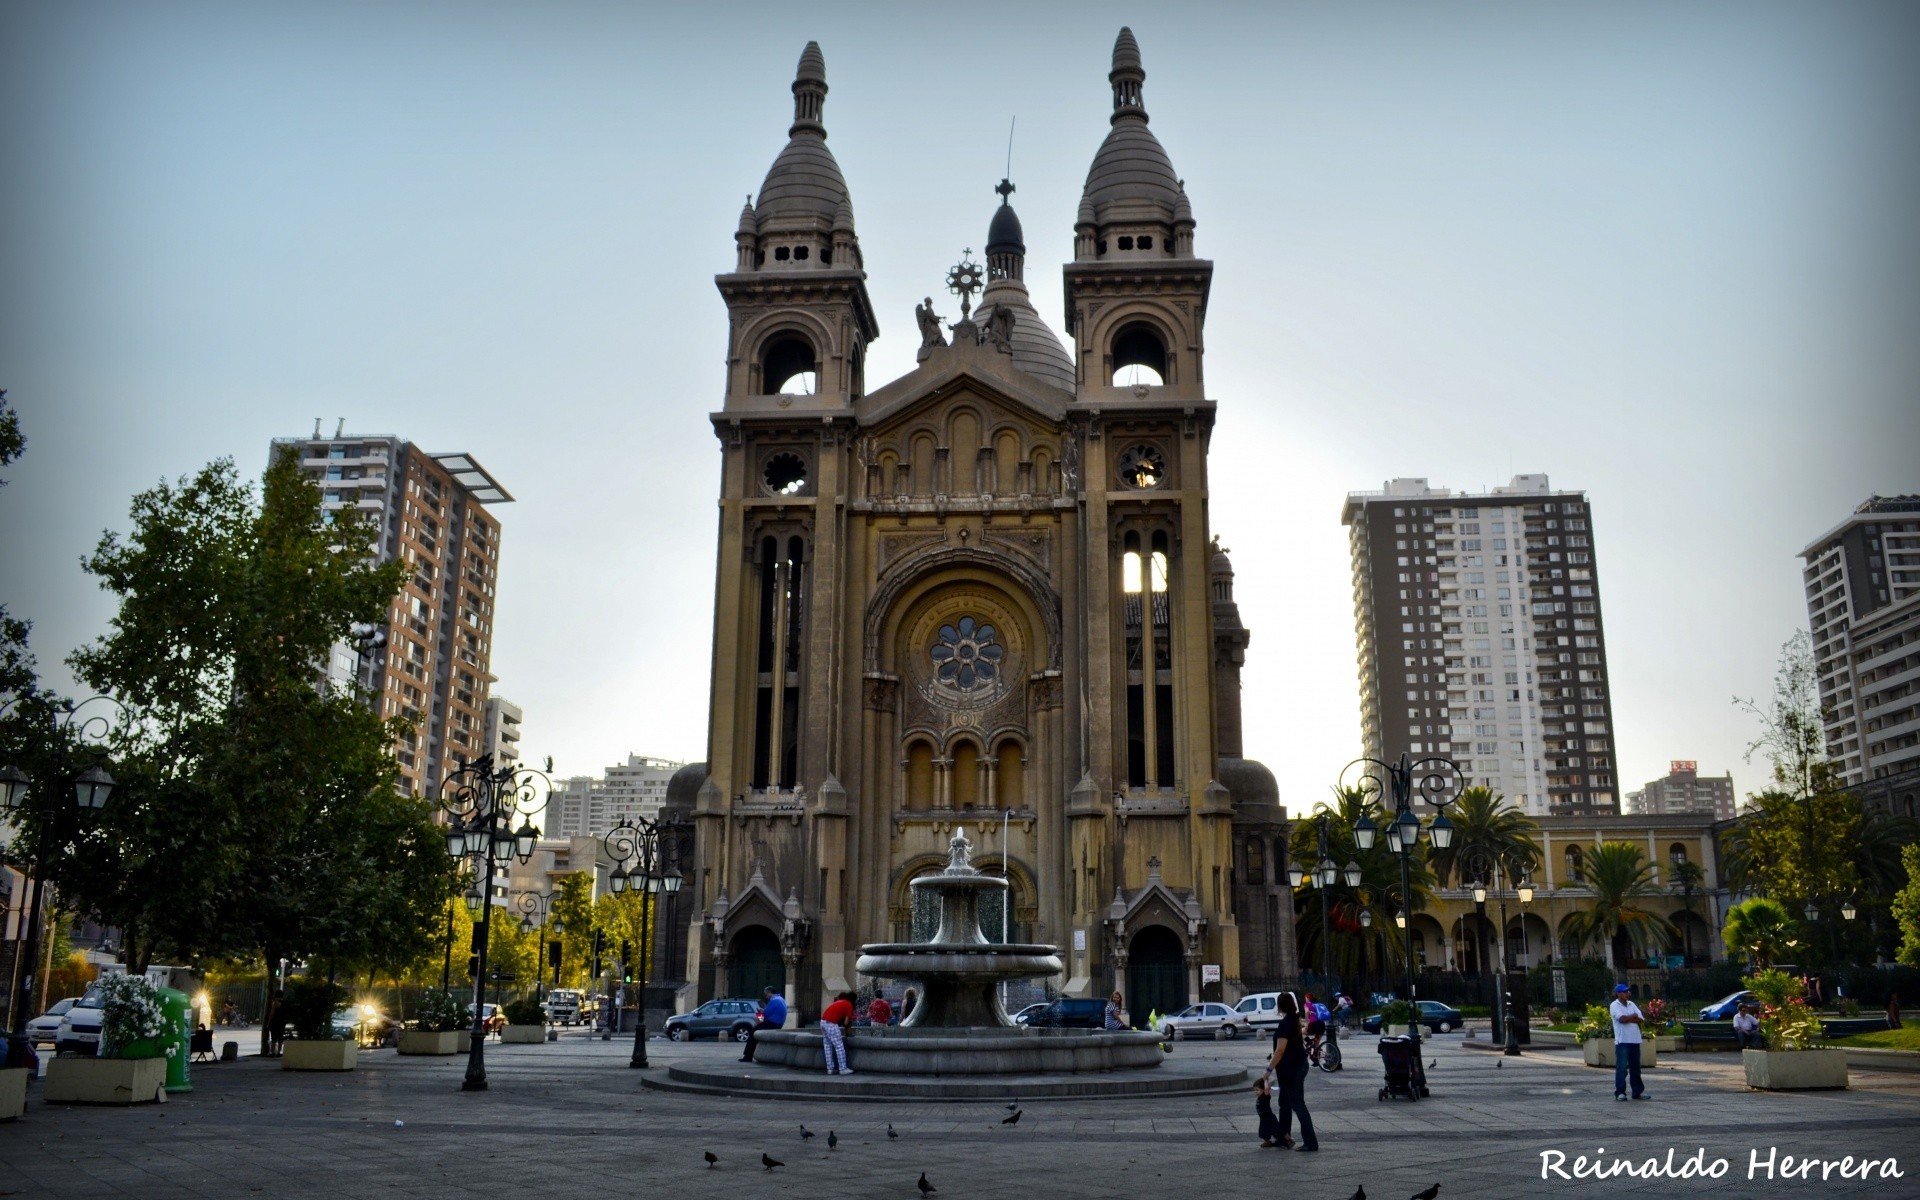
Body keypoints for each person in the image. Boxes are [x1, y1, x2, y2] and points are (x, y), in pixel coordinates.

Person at [1264, 992, 1318, 1152]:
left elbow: (1280, 1050)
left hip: (1292, 1070)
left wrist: (1268, 1070)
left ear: (1280, 1007)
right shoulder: (1293, 1020)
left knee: (1298, 1104)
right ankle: (1283, 1137)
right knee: (1285, 1104)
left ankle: (1311, 1142)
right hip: (1295, 1067)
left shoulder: (1286, 1024)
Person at [1608, 982, 1647, 1101]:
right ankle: (1620, 1092)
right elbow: (1622, 1019)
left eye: (1627, 991)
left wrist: (1631, 1017)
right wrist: (1632, 1017)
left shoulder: (1631, 1004)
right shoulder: (1614, 1005)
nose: (1627, 993)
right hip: (1623, 1040)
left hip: (1635, 1040)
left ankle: (1637, 1091)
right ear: (1618, 994)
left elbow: (1640, 1019)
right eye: (1624, 992)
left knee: (1636, 1068)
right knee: (1622, 1068)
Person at [741, 986, 786, 1064]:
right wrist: (763, 1011)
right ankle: (748, 1055)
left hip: (772, 1024)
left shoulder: (774, 1000)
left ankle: (748, 1056)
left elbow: (764, 1016)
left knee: (753, 1033)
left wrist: (759, 1013)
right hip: (778, 1024)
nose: (766, 996)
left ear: (769, 992)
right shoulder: (780, 999)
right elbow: (770, 1012)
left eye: (766, 994)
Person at [820, 991, 856, 1075]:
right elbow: (846, 1023)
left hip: (823, 1021)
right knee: (839, 1046)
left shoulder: (840, 1001)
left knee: (828, 1046)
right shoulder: (849, 1005)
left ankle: (830, 1069)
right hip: (831, 1023)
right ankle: (843, 1068)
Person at [1253, 1072, 1287, 1148]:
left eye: (1257, 1090)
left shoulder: (1265, 1096)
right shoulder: (1260, 1097)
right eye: (1254, 1090)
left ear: (1263, 1089)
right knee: (1263, 1131)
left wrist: (1265, 1080)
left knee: (1276, 1130)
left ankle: (1287, 1139)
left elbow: (1267, 1088)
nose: (1255, 1092)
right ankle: (1267, 1141)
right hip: (1263, 1118)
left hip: (1269, 1117)